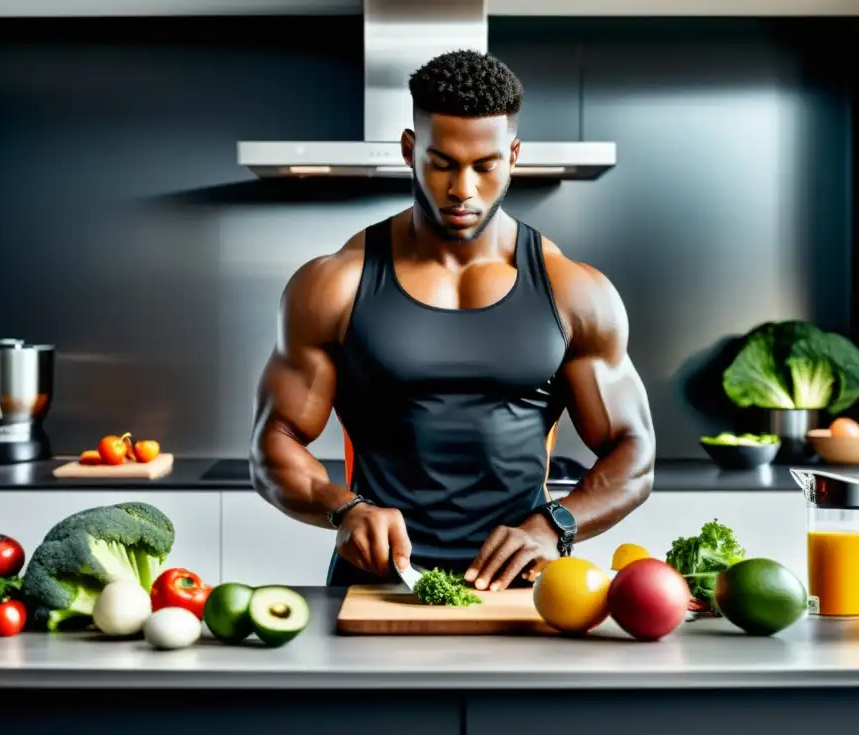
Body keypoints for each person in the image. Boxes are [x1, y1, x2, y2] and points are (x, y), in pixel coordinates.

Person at [250, 49, 655, 591]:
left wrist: (556, 524)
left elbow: (635, 450)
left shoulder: (573, 291)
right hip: (378, 585)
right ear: (410, 150)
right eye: (442, 163)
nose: (462, 189)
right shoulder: (334, 285)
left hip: (524, 588)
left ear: (512, 155)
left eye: (484, 166)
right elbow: (273, 440)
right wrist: (341, 507)